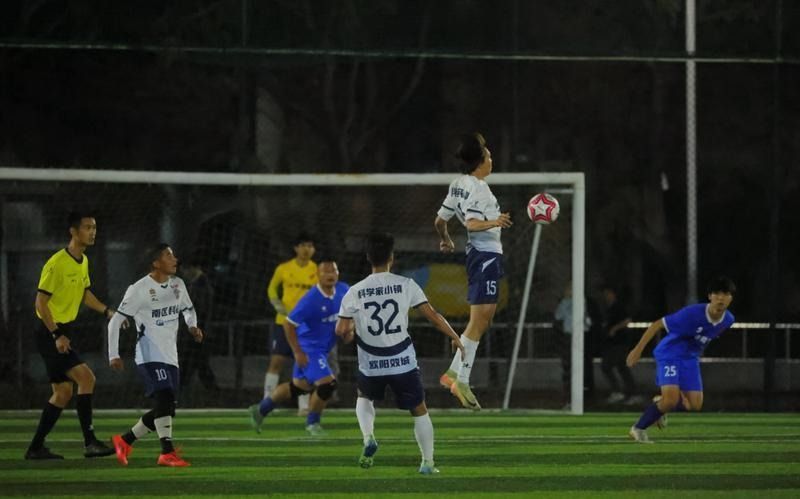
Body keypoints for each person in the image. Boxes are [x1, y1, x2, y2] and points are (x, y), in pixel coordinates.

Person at [335, 233, 465, 475]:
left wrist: (351, 331)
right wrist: (455, 336)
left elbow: (341, 330)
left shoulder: (354, 291)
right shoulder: (406, 284)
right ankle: (427, 463)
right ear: (391, 258)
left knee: (364, 397)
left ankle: (368, 437)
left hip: (371, 364)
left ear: (368, 258)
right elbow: (434, 316)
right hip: (403, 362)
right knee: (419, 409)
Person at [25, 212, 117, 460]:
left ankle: (35, 448)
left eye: (94, 227)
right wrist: (56, 334)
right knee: (87, 378)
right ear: (73, 232)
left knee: (63, 393)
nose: (93, 232)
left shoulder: (83, 261)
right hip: (49, 331)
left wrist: (107, 311)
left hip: (61, 331)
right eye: (87, 227)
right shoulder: (57, 263)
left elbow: (84, 294)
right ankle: (90, 442)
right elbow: (40, 302)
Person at [434, 132, 512, 410]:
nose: (492, 159)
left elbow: (439, 220)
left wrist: (445, 239)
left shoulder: (458, 184)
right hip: (485, 255)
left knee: (482, 319)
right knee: (480, 320)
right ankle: (461, 380)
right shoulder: (479, 188)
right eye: (488, 156)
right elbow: (471, 223)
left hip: (478, 256)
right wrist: (495, 221)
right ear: (479, 162)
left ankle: (453, 373)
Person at [107, 244, 204, 467]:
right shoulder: (138, 289)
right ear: (156, 263)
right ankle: (166, 453)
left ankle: (124, 441)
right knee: (164, 397)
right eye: (169, 256)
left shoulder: (178, 284)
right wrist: (113, 354)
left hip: (171, 355)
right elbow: (115, 322)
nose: (175, 259)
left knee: (167, 408)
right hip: (148, 354)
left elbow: (188, 309)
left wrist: (192, 325)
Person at [626, 276, 736, 443]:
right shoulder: (691, 314)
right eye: (717, 293)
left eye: (725, 294)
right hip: (670, 353)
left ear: (731, 298)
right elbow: (658, 324)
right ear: (710, 296)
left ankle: (660, 404)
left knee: (695, 404)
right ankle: (638, 428)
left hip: (690, 359)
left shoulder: (728, 320)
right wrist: (637, 350)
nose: (721, 298)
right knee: (671, 400)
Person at [248, 258, 348, 436]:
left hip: (323, 349)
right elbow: (288, 324)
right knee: (328, 384)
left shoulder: (344, 290)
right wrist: (298, 352)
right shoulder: (310, 299)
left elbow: (351, 313)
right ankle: (312, 423)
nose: (330, 275)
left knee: (299, 387)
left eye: (333, 271)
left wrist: (350, 330)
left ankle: (261, 409)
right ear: (317, 275)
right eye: (325, 272)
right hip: (310, 348)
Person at [265, 232, 317, 415]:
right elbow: (271, 289)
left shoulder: (317, 270)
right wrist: (277, 304)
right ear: (296, 248)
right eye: (303, 245)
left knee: (304, 363)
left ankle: (303, 405)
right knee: (276, 361)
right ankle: (268, 402)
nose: (306, 249)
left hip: (305, 325)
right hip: (284, 322)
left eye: (310, 246)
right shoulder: (284, 268)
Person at [178, 257, 219, 394]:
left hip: (198, 332)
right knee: (199, 364)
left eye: (184, 270)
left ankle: (179, 392)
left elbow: (200, 310)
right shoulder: (198, 284)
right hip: (198, 332)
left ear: (192, 268)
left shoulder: (201, 286)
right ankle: (214, 393)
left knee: (192, 363)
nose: (183, 273)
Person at [553, 282, 595, 405]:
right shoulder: (565, 302)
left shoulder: (582, 301)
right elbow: (558, 316)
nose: (570, 291)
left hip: (581, 336)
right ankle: (568, 398)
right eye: (569, 289)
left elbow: (586, 318)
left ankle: (583, 397)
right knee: (567, 367)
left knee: (581, 367)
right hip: (568, 336)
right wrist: (564, 301)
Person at [599, 286, 636, 404]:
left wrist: (615, 329)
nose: (606, 296)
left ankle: (620, 391)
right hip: (612, 343)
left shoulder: (618, 307)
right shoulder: (608, 308)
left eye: (608, 293)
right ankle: (629, 392)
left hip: (619, 342)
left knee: (607, 366)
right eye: (605, 294)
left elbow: (627, 320)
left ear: (613, 294)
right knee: (621, 367)